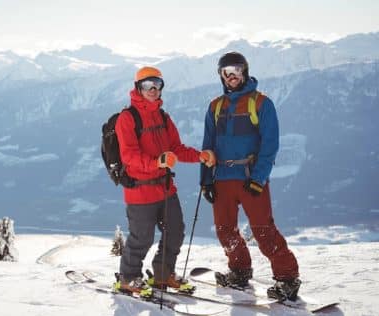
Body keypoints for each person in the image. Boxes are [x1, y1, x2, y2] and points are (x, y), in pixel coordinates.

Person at [200, 52, 301, 301]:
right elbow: (207, 146)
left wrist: (259, 177)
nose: (231, 76)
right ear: (221, 76)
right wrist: (205, 179)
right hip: (222, 177)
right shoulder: (215, 106)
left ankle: (287, 279)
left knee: (263, 230)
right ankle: (239, 270)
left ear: (244, 71)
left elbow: (270, 144)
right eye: (226, 72)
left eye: (235, 70)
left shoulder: (261, 103)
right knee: (225, 230)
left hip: (249, 178)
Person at [114, 66, 216, 296]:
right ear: (138, 88)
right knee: (142, 238)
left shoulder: (163, 117)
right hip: (140, 191)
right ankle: (128, 278)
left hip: (166, 189)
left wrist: (199, 156)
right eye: (147, 85)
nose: (153, 89)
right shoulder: (127, 118)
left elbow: (176, 148)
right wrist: (157, 162)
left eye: (157, 84)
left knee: (176, 231)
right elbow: (128, 156)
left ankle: (163, 274)